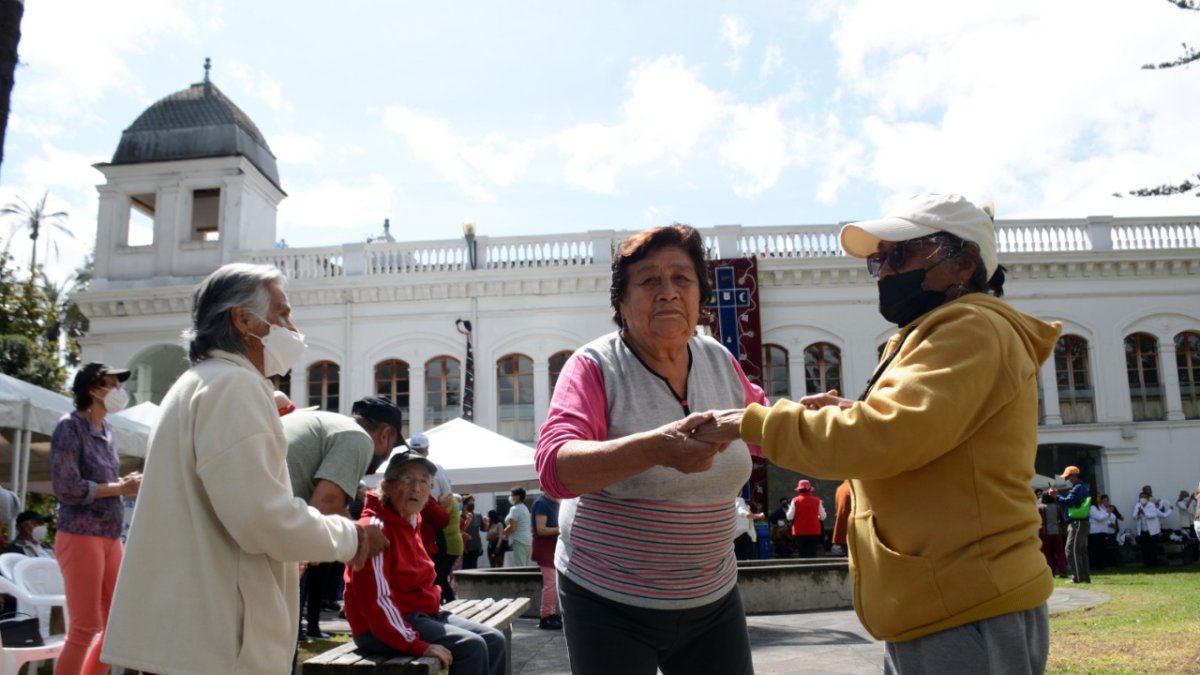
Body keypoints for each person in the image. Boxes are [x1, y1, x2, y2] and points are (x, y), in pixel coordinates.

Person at [696, 194, 1060, 673]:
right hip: (943, 599)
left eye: (902, 254)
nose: (887, 271)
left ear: (964, 264)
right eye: (879, 259)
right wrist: (853, 411)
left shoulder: (968, 329)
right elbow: (917, 431)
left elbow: (881, 438)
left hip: (966, 603)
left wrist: (750, 420)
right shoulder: (939, 331)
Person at [101, 263, 387, 675]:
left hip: (192, 632)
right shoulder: (234, 385)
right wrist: (351, 537)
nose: (292, 326)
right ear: (243, 319)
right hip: (216, 640)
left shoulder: (200, 382)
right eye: (282, 313)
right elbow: (262, 518)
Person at [536, 224, 764, 675]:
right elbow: (554, 468)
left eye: (682, 279)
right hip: (607, 597)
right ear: (621, 300)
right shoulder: (594, 366)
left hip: (711, 596)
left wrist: (812, 416)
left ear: (700, 297)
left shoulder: (719, 359)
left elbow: (762, 426)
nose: (668, 292)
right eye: (649, 280)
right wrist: (657, 448)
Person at [343, 450, 506, 675]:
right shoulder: (375, 528)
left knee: (495, 640)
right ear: (386, 486)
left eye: (424, 482)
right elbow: (375, 600)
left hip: (422, 613)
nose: (417, 488)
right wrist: (416, 644)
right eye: (407, 479)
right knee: (472, 647)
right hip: (381, 626)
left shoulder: (412, 519)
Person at [285, 395, 406, 640]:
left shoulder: (327, 425)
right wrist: (362, 535)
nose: (386, 456)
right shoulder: (358, 437)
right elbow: (325, 505)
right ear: (385, 434)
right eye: (392, 447)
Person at [49, 361, 142, 675]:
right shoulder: (68, 426)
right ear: (92, 388)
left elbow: (105, 484)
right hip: (80, 534)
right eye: (111, 382)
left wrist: (121, 485)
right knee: (85, 627)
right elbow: (67, 488)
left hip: (109, 535)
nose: (119, 389)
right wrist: (119, 487)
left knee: (119, 624)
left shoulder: (108, 430)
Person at [1048, 466, 1091, 584]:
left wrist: (1055, 496)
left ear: (1074, 476)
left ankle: (1077, 577)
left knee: (1071, 550)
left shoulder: (1077, 488)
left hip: (1077, 523)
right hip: (1082, 523)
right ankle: (1085, 577)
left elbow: (1068, 501)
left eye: (1067, 476)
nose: (1066, 479)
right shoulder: (1082, 487)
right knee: (1081, 551)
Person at [530, 492, 562, 629]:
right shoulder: (541, 503)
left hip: (553, 549)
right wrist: (562, 529)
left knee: (554, 584)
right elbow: (541, 530)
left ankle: (551, 613)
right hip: (545, 549)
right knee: (551, 583)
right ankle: (545, 616)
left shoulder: (555, 503)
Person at [786, 479, 826, 558]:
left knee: (802, 554)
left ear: (799, 490)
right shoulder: (817, 501)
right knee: (812, 554)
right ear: (810, 489)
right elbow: (823, 517)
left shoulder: (795, 500)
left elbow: (789, 517)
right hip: (814, 531)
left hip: (799, 532)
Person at [437, 493, 464, 603]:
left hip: (450, 543)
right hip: (453, 543)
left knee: (441, 575)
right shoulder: (452, 500)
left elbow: (441, 516)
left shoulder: (449, 501)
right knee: (442, 575)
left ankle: (449, 600)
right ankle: (450, 599)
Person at [1132, 490, 1168, 567]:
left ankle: (1153, 563)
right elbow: (1134, 517)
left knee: (1152, 547)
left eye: (1144, 497)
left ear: (1147, 498)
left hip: (1151, 530)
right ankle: (1146, 563)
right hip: (1142, 530)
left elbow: (1153, 515)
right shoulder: (1137, 505)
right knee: (1144, 548)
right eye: (1141, 497)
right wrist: (1138, 513)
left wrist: (1144, 513)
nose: (1142, 499)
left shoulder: (1151, 505)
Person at [1037, 490, 1068, 577]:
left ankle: (1051, 571)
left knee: (1047, 553)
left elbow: (1038, 520)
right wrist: (1063, 530)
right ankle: (1063, 570)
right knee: (1060, 553)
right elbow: (1062, 520)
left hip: (1045, 532)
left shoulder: (1041, 508)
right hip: (1057, 531)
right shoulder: (1057, 507)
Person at [502, 487, 532, 566]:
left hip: (519, 540)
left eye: (512, 495)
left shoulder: (515, 509)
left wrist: (503, 532)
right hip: (526, 540)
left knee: (520, 567)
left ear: (518, 496)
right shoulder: (524, 508)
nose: (511, 497)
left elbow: (513, 527)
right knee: (524, 566)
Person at [1088, 494, 1117, 570]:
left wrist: (1108, 513)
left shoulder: (1101, 507)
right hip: (1095, 532)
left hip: (1102, 531)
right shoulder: (1092, 508)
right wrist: (1108, 513)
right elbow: (1099, 517)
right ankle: (1095, 565)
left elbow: (1107, 517)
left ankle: (1102, 565)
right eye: (1098, 496)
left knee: (1102, 549)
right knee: (1095, 550)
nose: (1099, 498)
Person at [732, 495, 762, 560]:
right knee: (743, 558)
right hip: (741, 534)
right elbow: (743, 512)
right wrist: (759, 516)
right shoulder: (739, 500)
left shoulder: (727, 502)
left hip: (731, 536)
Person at [461, 494, 484, 569]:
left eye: (473, 502)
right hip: (463, 547)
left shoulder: (478, 515)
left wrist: (487, 524)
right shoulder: (460, 516)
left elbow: (483, 529)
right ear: (464, 504)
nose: (472, 504)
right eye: (470, 503)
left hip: (475, 546)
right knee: (464, 567)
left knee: (473, 567)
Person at [830, 480, 852, 556]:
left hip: (842, 521)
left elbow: (837, 506)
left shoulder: (839, 488)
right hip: (853, 522)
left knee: (846, 550)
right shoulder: (854, 486)